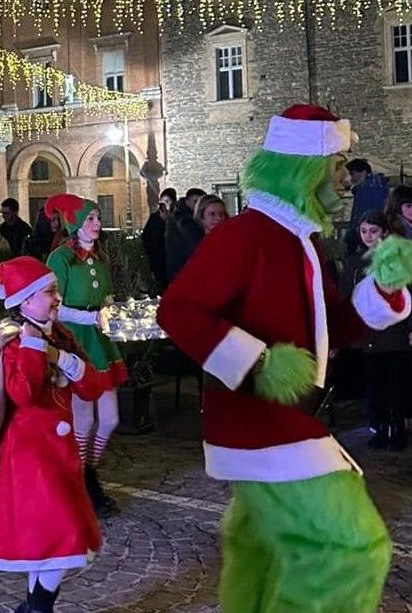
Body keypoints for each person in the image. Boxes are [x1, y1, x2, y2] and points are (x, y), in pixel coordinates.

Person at [157, 105, 412, 613]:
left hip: (282, 422)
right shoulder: (243, 236)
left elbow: (333, 326)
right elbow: (179, 311)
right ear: (307, 167)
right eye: (338, 165)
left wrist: (382, 288)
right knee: (351, 546)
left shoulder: (305, 242)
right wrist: (258, 364)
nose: (346, 179)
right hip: (260, 427)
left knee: (263, 557)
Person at [0, 256, 107, 613]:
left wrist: (59, 356)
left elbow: (93, 386)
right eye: (49, 291)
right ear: (25, 300)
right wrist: (36, 348)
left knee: (47, 541)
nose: (56, 297)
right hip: (31, 456)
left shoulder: (60, 334)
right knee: (65, 532)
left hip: (58, 454)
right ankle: (37, 608)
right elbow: (24, 393)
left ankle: (34, 608)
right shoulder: (11, 340)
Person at [45, 194, 127, 517]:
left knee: (110, 419)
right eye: (90, 219)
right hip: (76, 340)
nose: (97, 224)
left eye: (97, 218)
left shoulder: (99, 258)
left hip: (100, 341)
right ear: (76, 224)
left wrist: (114, 312)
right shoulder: (60, 259)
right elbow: (56, 305)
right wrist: (90, 318)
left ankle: (87, 470)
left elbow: (105, 295)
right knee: (85, 419)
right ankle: (80, 483)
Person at [339, 210, 410, 450]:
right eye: (364, 231)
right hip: (366, 334)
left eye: (373, 231)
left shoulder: (398, 259)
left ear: (385, 232)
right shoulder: (353, 262)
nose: (368, 236)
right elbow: (345, 296)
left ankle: (397, 429)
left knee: (395, 385)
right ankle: (379, 428)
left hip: (394, 334)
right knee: (373, 385)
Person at [343, 158, 391, 254]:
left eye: (352, 173)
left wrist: (351, 239)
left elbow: (359, 215)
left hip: (368, 237)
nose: (350, 178)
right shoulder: (381, 186)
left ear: (363, 172)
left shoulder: (365, 189)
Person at [164, 187, 205, 284]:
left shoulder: (181, 215)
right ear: (187, 201)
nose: (198, 206)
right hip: (183, 267)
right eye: (195, 201)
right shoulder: (183, 219)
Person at [141, 188, 173, 292]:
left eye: (167, 202)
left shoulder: (177, 218)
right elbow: (146, 237)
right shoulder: (155, 218)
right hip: (158, 260)